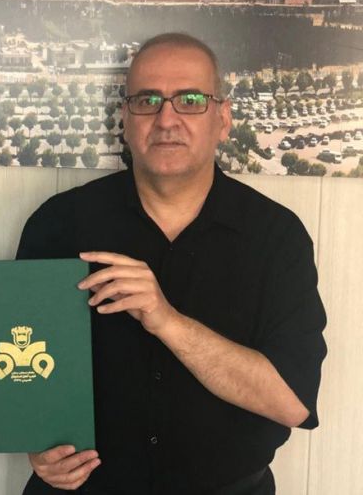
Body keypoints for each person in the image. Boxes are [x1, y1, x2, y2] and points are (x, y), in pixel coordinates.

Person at [17, 33, 326, 495]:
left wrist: (167, 321)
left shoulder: (277, 237)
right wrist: (35, 444)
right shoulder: (58, 223)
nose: (166, 119)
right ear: (125, 119)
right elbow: (18, 371)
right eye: (147, 101)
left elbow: (292, 402)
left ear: (223, 119)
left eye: (191, 100)